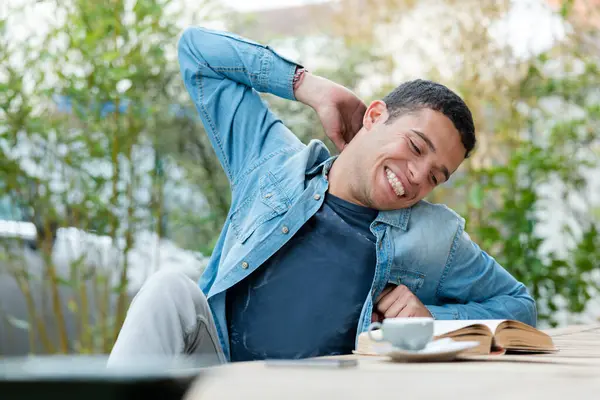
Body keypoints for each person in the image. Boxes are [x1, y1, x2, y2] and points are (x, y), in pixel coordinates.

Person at [108, 27, 536, 366]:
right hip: (218, 374)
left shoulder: (435, 238)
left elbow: (520, 306)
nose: (417, 176)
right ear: (374, 115)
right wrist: (307, 86)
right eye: (416, 146)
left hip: (326, 391)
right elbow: (197, 51)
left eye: (436, 176)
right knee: (169, 289)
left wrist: (432, 320)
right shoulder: (272, 165)